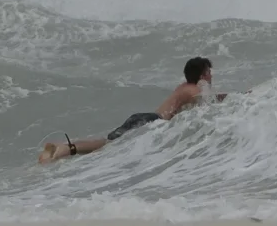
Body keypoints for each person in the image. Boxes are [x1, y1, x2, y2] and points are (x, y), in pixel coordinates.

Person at [38, 56, 245, 164]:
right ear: (201, 74)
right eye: (208, 72)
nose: (210, 75)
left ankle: (64, 146)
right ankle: (64, 150)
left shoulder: (182, 87)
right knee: (107, 146)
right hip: (151, 121)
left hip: (144, 117)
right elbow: (209, 100)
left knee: (107, 143)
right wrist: (239, 97)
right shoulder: (194, 88)